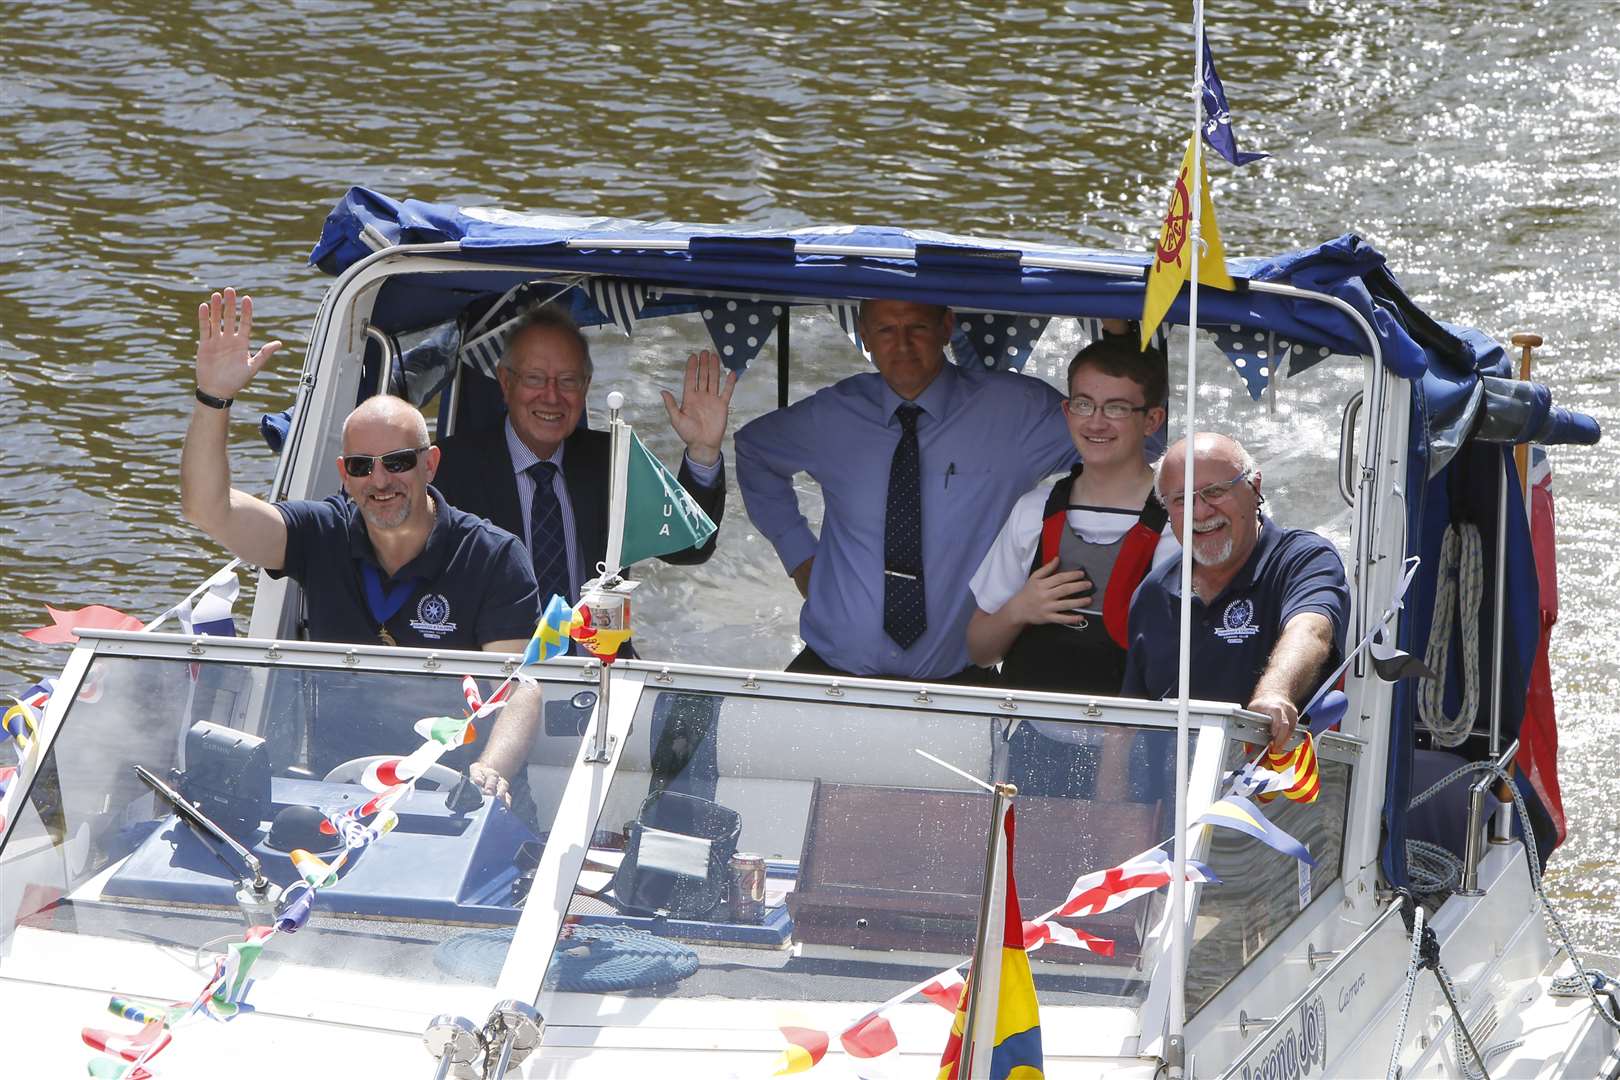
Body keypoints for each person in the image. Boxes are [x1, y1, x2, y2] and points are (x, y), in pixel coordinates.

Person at [179, 288, 539, 803]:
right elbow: (205, 509)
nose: (380, 479)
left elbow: (517, 688)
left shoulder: (494, 556)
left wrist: (490, 771)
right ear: (343, 475)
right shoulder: (318, 534)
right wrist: (214, 399)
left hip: (463, 799)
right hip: (340, 798)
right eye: (360, 466)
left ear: (430, 465)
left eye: (397, 462)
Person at [733, 298, 1077, 682]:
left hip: (960, 676)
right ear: (864, 336)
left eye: (917, 327)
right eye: (885, 330)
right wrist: (797, 553)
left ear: (946, 327)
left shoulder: (1017, 411)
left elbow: (1133, 442)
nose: (902, 344)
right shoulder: (831, 414)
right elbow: (755, 450)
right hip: (830, 672)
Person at [434, 304, 732, 606]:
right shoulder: (448, 468)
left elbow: (689, 548)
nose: (552, 396)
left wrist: (702, 452)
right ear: (506, 381)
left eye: (568, 381)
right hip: (491, 652)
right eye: (535, 378)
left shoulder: (614, 460)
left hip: (596, 650)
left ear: (586, 385)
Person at [967, 337, 1177, 694]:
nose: (1096, 423)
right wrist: (1019, 608)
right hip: (1031, 733)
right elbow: (980, 650)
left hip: (1138, 738)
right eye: (1084, 405)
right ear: (1067, 412)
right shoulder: (1033, 509)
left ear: (1152, 420)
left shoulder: (1180, 520)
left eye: (1117, 408)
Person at [1119, 433, 1350, 752]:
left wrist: (1274, 694)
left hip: (1272, 792)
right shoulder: (1154, 591)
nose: (1200, 513)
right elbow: (1127, 724)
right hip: (1171, 795)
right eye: (1182, 499)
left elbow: (1310, 630)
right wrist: (1110, 800)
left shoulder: (1303, 559)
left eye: (1215, 492)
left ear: (1255, 487)